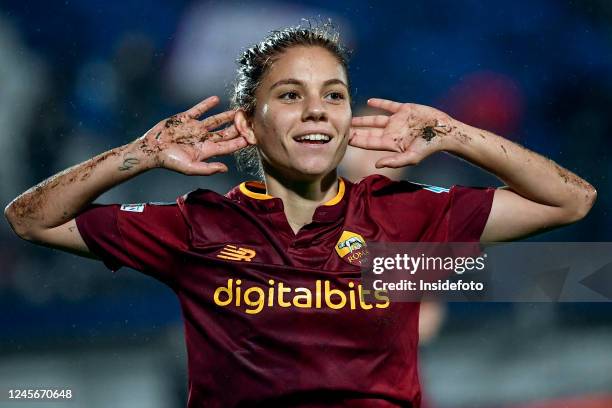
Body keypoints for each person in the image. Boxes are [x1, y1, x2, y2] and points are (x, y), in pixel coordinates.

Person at [4, 22, 596, 408]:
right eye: (290, 95)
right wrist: (136, 156)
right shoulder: (197, 225)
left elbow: (571, 203)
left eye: (333, 95)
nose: (317, 111)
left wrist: (455, 134)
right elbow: (29, 218)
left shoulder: (407, 219)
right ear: (248, 124)